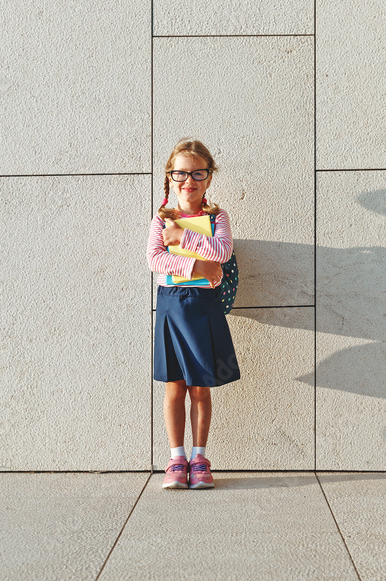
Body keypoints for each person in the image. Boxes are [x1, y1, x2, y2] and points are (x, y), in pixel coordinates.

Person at [146, 138, 240, 489]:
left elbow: (224, 251)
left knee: (201, 386)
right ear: (170, 177)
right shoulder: (161, 219)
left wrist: (182, 237)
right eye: (181, 173)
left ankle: (200, 458)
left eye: (198, 173)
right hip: (172, 304)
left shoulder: (217, 217)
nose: (189, 180)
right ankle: (176, 459)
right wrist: (200, 264)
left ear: (209, 177)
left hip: (204, 308)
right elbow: (154, 259)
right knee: (175, 385)